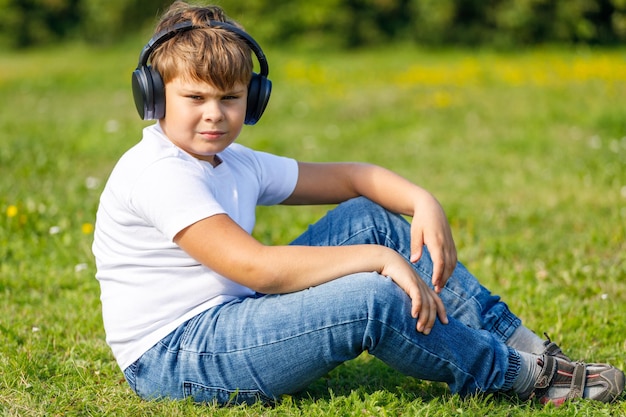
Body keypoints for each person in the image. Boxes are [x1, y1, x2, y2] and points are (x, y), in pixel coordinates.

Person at [92, 0, 624, 407]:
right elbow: (255, 267)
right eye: (195, 98)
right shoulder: (160, 173)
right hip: (175, 355)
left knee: (366, 217)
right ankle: (517, 377)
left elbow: (353, 178)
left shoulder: (234, 161)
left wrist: (422, 201)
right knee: (371, 296)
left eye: (230, 98)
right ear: (154, 97)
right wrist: (379, 258)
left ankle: (526, 346)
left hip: (231, 311)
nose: (215, 115)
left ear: (252, 100)